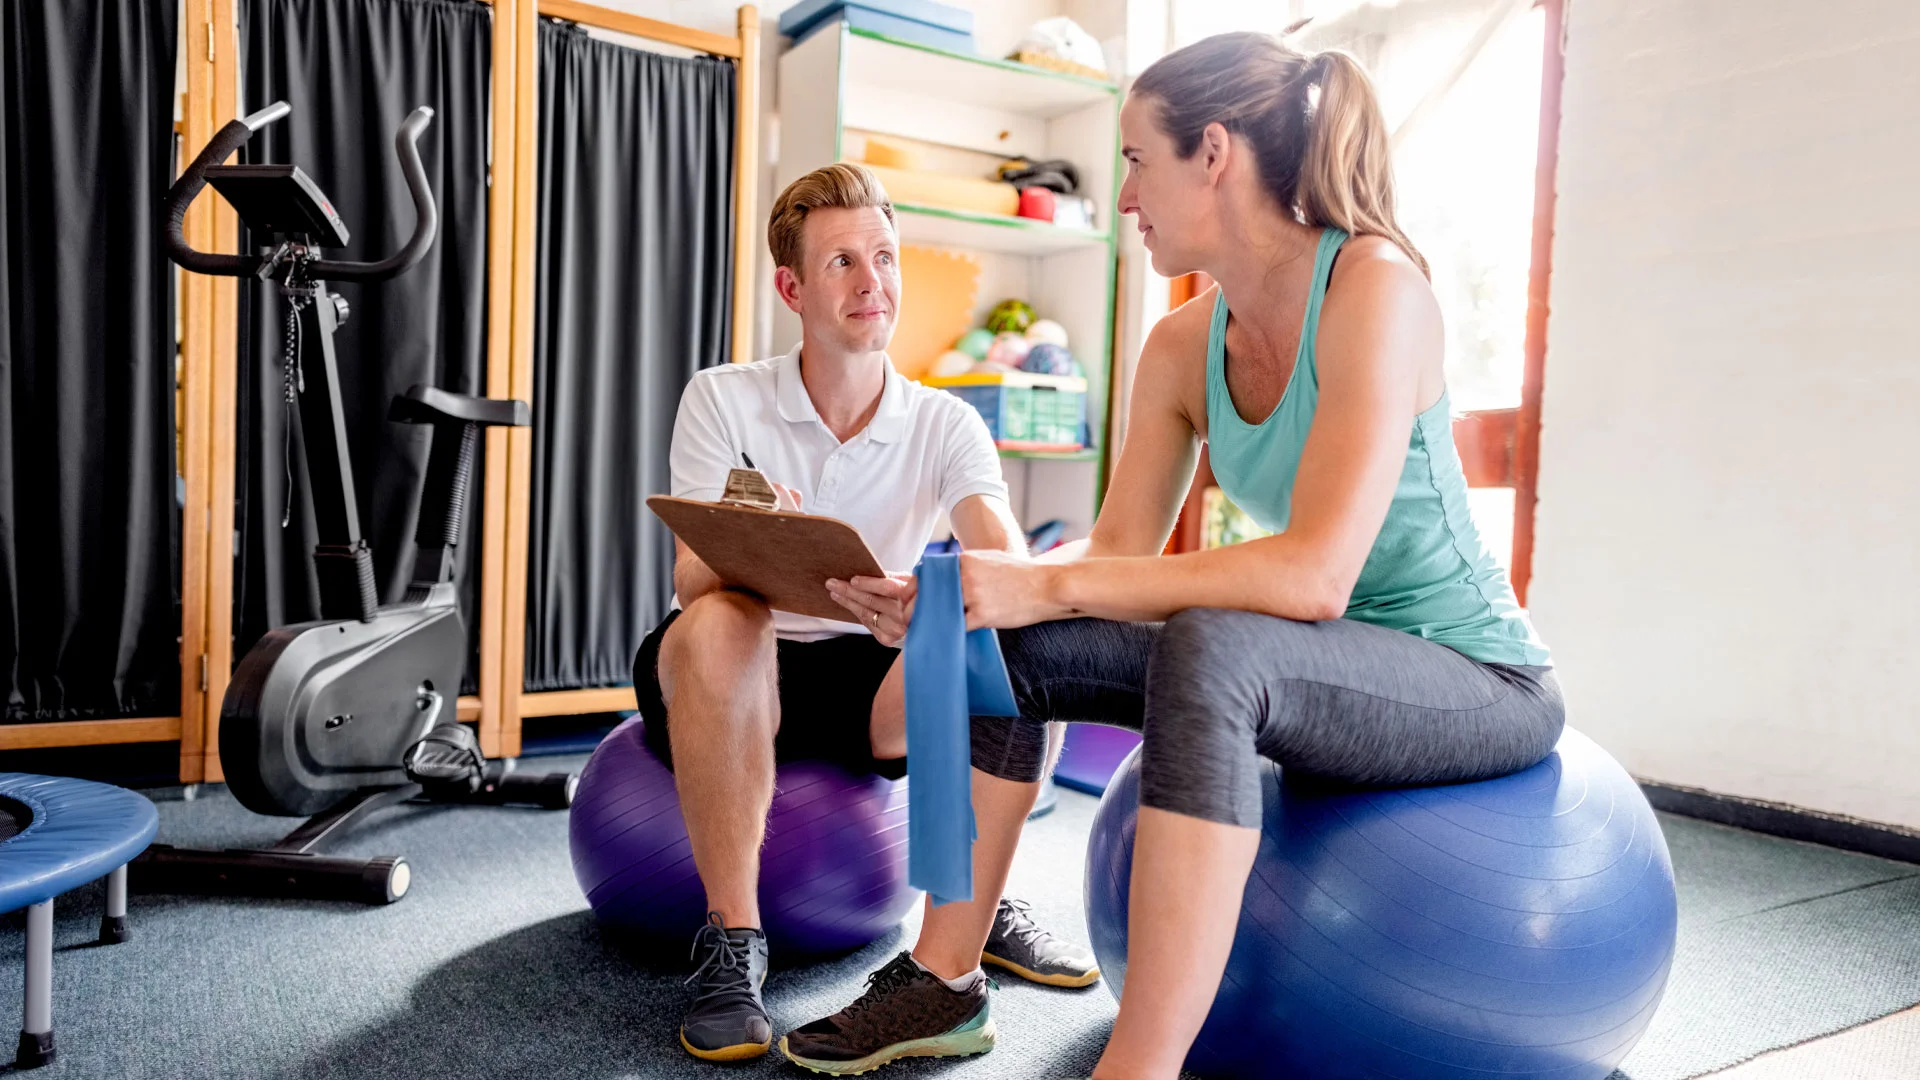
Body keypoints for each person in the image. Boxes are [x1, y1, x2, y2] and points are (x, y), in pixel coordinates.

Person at [784, 33, 1564, 1079]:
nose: (1125, 195)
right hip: (1316, 664)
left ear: (1214, 153)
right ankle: (943, 977)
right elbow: (1118, 558)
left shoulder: (1375, 287)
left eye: (1137, 160)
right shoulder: (1182, 345)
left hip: (1472, 677)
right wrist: (971, 595)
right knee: (1003, 644)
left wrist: (1045, 579)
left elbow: (1312, 576)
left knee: (1210, 647)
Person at [639, 162, 1097, 1065]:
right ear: (792, 288)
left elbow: (1003, 560)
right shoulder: (722, 397)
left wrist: (931, 603)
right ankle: (734, 945)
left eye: (883, 257)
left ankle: (974, 910)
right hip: (730, 666)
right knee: (727, 620)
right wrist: (755, 538)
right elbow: (693, 581)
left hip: (870, 676)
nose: (871, 281)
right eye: (842, 262)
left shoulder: (946, 422)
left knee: (1006, 643)